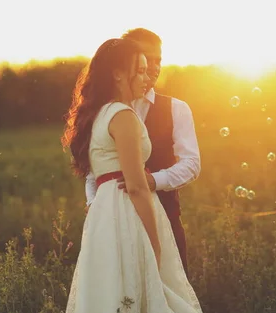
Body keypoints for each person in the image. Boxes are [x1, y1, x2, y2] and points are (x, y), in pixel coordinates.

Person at [60, 37, 218, 313]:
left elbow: (103, 175)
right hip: (129, 212)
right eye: (141, 70)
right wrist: (154, 242)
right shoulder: (124, 116)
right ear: (119, 74)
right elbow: (135, 186)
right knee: (149, 289)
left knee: (112, 290)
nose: (148, 78)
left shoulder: (100, 113)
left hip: (106, 213)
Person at [84, 28, 200, 278]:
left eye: (158, 60)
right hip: (115, 223)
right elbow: (94, 171)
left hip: (164, 216)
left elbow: (191, 163)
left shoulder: (176, 109)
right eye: (145, 60)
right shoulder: (107, 112)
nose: (153, 67)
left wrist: (153, 180)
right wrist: (99, 207)